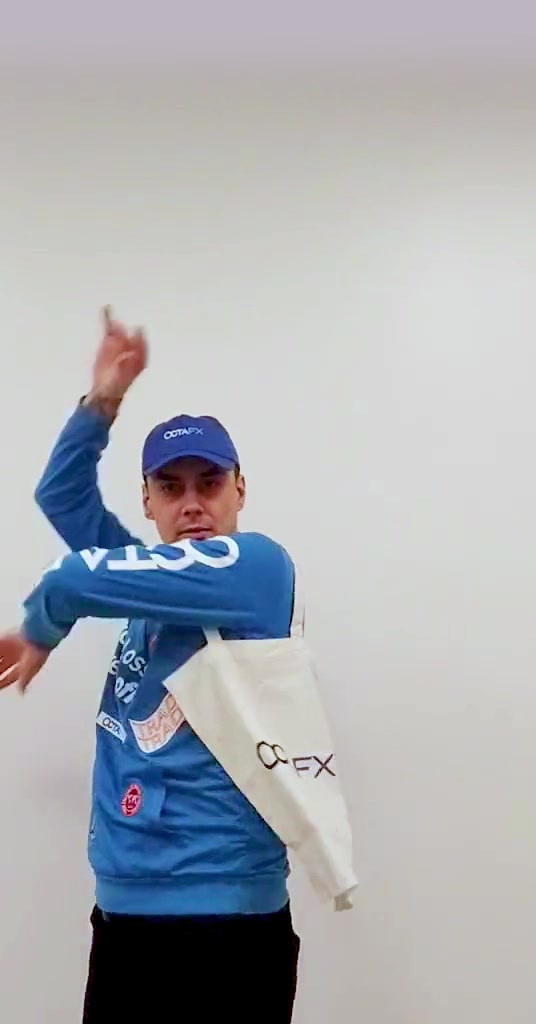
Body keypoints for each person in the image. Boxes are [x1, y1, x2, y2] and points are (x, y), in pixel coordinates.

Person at [0, 309, 303, 1021]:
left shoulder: (257, 569)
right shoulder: (146, 580)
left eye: (209, 483)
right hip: (125, 916)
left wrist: (42, 629)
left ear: (240, 490)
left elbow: (73, 580)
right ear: (147, 499)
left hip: (227, 925)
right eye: (170, 487)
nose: (191, 504)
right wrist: (102, 400)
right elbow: (61, 497)